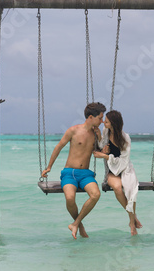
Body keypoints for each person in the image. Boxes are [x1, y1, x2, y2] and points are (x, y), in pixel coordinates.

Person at [41, 102, 106, 239]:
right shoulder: (73, 130)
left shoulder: (96, 133)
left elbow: (99, 153)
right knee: (70, 198)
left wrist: (100, 137)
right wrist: (49, 167)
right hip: (69, 173)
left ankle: (75, 223)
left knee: (95, 195)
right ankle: (79, 225)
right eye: (100, 118)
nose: (102, 121)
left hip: (85, 174)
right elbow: (58, 147)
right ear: (90, 117)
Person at [93, 110, 143, 236]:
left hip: (125, 169)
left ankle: (131, 223)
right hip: (112, 171)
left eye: (107, 121)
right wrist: (99, 137)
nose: (104, 122)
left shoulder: (125, 138)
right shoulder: (106, 131)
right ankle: (133, 217)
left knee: (131, 189)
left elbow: (124, 161)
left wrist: (105, 156)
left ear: (114, 123)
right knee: (117, 188)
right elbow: (101, 146)